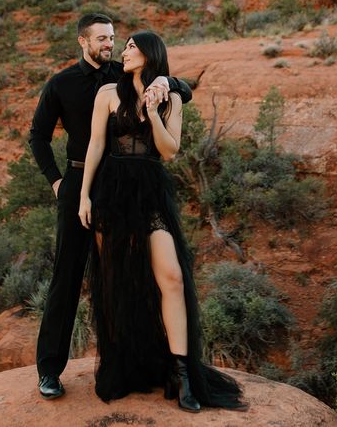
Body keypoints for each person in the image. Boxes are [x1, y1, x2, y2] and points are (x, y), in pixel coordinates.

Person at [78, 31, 245, 412]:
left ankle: (183, 375)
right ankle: (120, 367)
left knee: (170, 277)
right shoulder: (107, 94)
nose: (125, 51)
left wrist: (154, 112)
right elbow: (97, 145)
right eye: (125, 47)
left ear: (151, 54)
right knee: (114, 281)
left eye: (133, 47)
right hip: (112, 191)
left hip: (150, 191)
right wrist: (84, 194)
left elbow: (170, 151)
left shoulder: (169, 96)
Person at [29, 14, 192, 400]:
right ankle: (49, 370)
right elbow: (37, 137)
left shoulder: (125, 74)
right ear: (83, 41)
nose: (110, 44)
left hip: (128, 186)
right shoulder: (61, 83)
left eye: (113, 38)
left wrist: (169, 82)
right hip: (81, 180)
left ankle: (139, 364)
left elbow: (181, 90)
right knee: (67, 276)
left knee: (126, 277)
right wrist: (57, 182)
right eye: (102, 38)